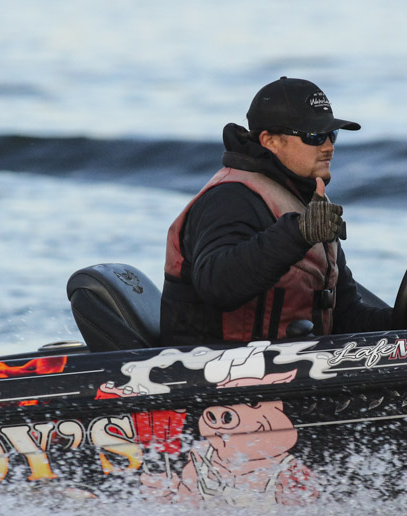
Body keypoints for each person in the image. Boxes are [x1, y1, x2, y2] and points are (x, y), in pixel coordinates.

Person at [160, 77, 392, 345]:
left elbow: (345, 318)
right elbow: (217, 285)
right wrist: (299, 233)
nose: (329, 147)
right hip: (209, 366)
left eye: (332, 135)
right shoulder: (228, 198)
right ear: (270, 141)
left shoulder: (308, 205)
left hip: (295, 363)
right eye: (314, 136)